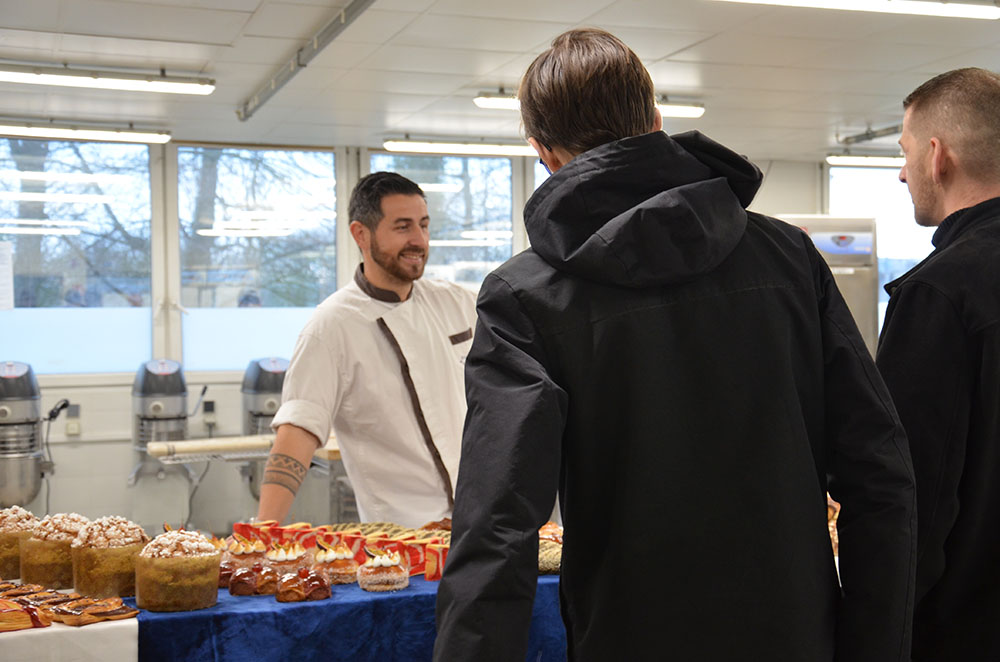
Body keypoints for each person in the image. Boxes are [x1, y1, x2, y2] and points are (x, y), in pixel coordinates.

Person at [434, 28, 916, 662]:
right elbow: (878, 472)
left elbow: (498, 525)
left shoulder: (524, 297)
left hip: (629, 634)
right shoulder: (788, 259)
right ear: (657, 122)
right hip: (794, 632)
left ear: (542, 152)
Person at [257, 172, 477, 529]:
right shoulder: (331, 327)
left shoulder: (456, 304)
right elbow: (298, 431)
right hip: (402, 539)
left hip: (478, 524)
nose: (419, 240)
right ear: (361, 234)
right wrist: (262, 532)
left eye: (423, 225)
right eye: (403, 227)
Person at [876, 67, 1000, 661]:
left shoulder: (939, 294)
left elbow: (911, 492)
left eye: (904, 153)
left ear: (937, 155)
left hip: (964, 628)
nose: (902, 173)